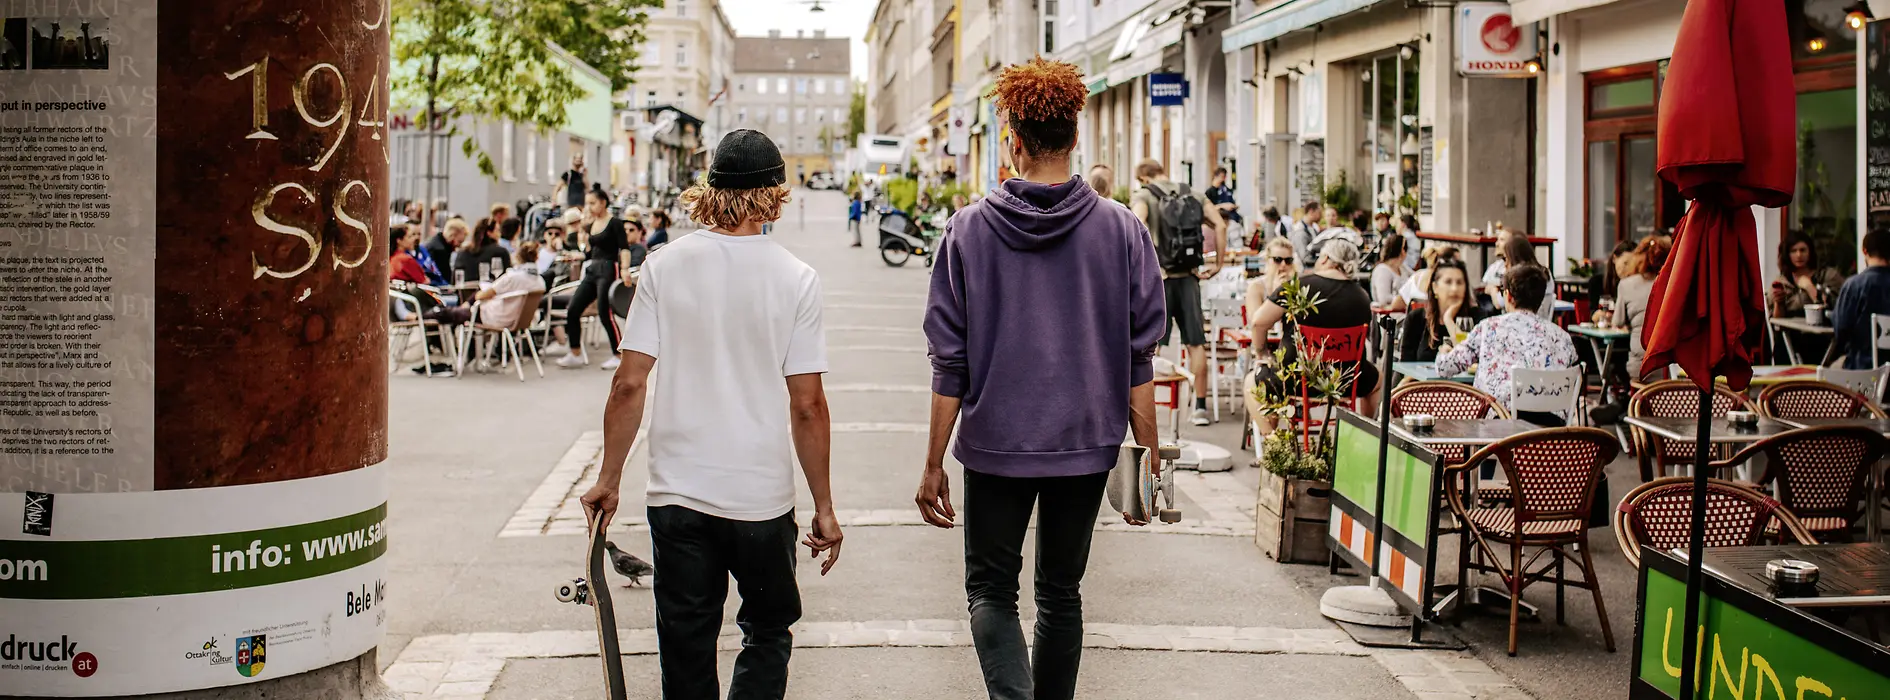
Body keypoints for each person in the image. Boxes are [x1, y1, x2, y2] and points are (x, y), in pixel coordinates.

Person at [916, 58, 1163, 700]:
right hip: (1086, 442)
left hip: (996, 443)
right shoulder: (1122, 230)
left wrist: (933, 462)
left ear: (1013, 139)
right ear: (1075, 136)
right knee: (1060, 592)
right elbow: (1140, 358)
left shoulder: (967, 230)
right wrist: (1150, 453)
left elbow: (950, 361)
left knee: (991, 591)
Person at [580, 129, 841, 700]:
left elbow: (629, 383)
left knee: (686, 642)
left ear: (712, 189)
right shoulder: (796, 278)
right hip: (761, 498)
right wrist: (823, 505)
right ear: (775, 194)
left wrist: (609, 477)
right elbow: (808, 403)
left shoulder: (664, 266)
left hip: (678, 493)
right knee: (768, 630)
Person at [1247, 240, 1381, 433]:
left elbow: (1258, 322)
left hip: (1296, 380)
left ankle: (1272, 442)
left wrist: (1262, 353)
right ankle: (1362, 435)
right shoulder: (1361, 296)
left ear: (1325, 258)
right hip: (1345, 380)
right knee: (1377, 382)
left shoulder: (1300, 285)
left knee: (1251, 383)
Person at [1131, 158, 1226, 426]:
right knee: (1195, 343)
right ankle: (1200, 408)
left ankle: (1151, 407)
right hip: (1189, 279)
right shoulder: (1192, 192)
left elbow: (1136, 224)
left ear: (1144, 178)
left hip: (1160, 279)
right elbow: (1219, 223)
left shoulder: (1145, 195)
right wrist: (1217, 264)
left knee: (1152, 346)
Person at [1437, 264, 1578, 424]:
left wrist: (1443, 351)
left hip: (1499, 428)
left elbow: (1445, 368)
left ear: (1508, 296)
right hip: (1550, 430)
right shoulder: (1563, 337)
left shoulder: (1489, 327)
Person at [557, 187, 634, 371]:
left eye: (592, 203)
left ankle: (618, 354)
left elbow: (624, 248)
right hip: (593, 268)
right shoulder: (591, 224)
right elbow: (588, 251)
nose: (589, 207)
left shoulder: (615, 223)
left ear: (603, 202)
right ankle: (575, 352)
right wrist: (580, 241)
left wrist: (624, 269)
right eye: (587, 203)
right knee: (574, 308)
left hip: (608, 268)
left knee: (604, 312)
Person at [1825, 227, 1890, 370]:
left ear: (1864, 251)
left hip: (1862, 367)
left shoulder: (1854, 285)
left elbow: (1841, 330)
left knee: (1827, 373)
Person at [1396, 260, 1485, 363]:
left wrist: (1448, 319)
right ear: (1435, 287)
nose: (1454, 288)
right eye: (1448, 282)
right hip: (1421, 379)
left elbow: (1470, 357)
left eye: (1460, 282)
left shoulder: (1477, 317)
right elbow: (1406, 365)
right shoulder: (1416, 318)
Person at [1615, 235, 1671, 379]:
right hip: (1669, 367)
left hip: (1640, 365)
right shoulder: (1672, 285)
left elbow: (1618, 322)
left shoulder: (1626, 285)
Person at [469, 241, 549, 329]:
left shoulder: (512, 277)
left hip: (500, 320)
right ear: (537, 257)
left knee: (462, 312)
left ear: (517, 257)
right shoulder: (540, 282)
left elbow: (482, 296)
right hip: (525, 322)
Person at [1769, 231, 1844, 318]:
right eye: (1793, 251)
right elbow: (1776, 321)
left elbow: (1835, 308)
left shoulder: (1828, 276)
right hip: (1792, 330)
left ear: (1810, 251)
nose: (1799, 255)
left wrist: (1809, 287)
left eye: (1803, 250)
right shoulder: (1782, 282)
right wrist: (1778, 303)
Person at [1481, 230, 1555, 318]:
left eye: (1506, 258)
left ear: (1514, 257)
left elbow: (1499, 303)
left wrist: (1493, 290)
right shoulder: (1545, 272)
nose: (1505, 264)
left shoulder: (1522, 278)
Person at [1246, 237, 1299, 345]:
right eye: (1278, 260)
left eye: (1288, 261)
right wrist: (1277, 294)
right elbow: (1256, 324)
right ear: (1268, 260)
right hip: (1263, 344)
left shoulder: (1298, 286)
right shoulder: (1256, 286)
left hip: (1291, 344)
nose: (1283, 265)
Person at [451, 217, 509, 283]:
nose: (500, 234)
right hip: (490, 291)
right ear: (489, 233)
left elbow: (454, 280)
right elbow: (507, 279)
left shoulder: (462, 252)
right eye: (497, 230)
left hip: (465, 292)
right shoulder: (500, 252)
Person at [1370, 233, 1411, 308]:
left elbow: (1415, 278)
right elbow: (1383, 299)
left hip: (1404, 314)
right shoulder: (1382, 270)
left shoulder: (1403, 268)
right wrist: (1404, 299)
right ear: (1402, 251)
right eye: (1405, 248)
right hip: (1389, 315)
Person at [1206, 166, 1241, 233]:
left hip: (1230, 219)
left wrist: (1233, 206)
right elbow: (1208, 209)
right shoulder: (1210, 192)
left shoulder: (1226, 190)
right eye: (1222, 177)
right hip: (1218, 220)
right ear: (1216, 176)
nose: (1223, 179)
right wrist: (1222, 206)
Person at [1290, 201, 1322, 267]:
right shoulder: (1299, 231)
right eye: (1319, 213)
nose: (1321, 216)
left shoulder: (1313, 228)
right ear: (1311, 211)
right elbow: (1305, 258)